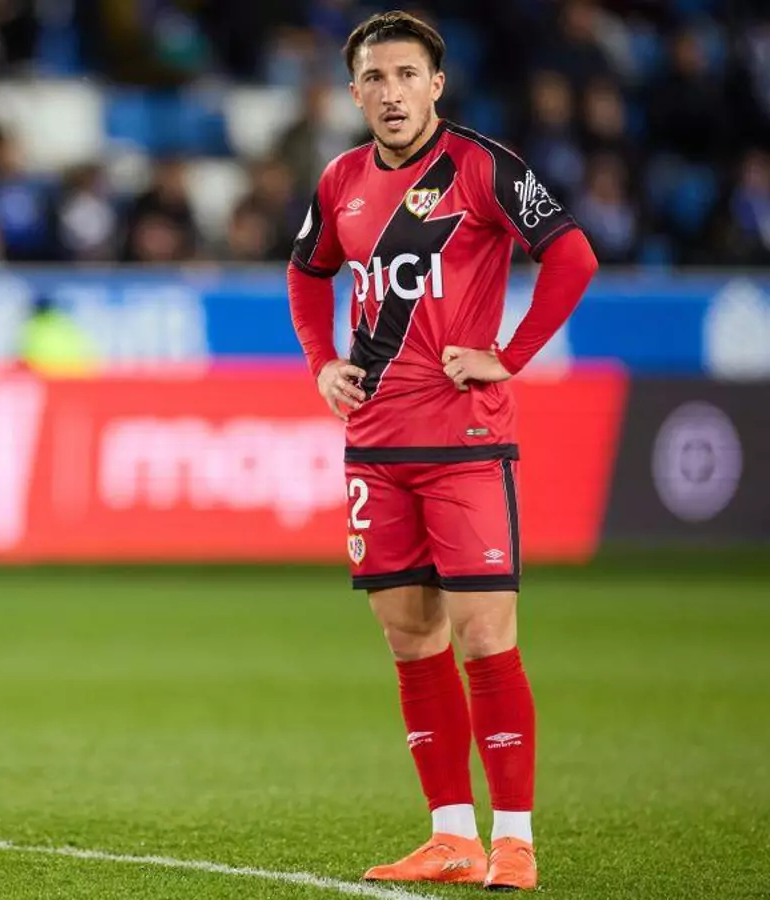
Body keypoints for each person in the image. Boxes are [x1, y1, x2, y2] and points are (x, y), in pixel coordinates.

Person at [286, 11, 600, 892]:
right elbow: (306, 273)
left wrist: (511, 353)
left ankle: (515, 842)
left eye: (406, 75)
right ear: (355, 93)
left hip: (465, 442)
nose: (391, 93)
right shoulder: (340, 180)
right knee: (410, 639)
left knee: (486, 637)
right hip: (375, 446)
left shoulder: (484, 167)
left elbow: (573, 257)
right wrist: (321, 364)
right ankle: (452, 835)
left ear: (436, 84)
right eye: (374, 78)